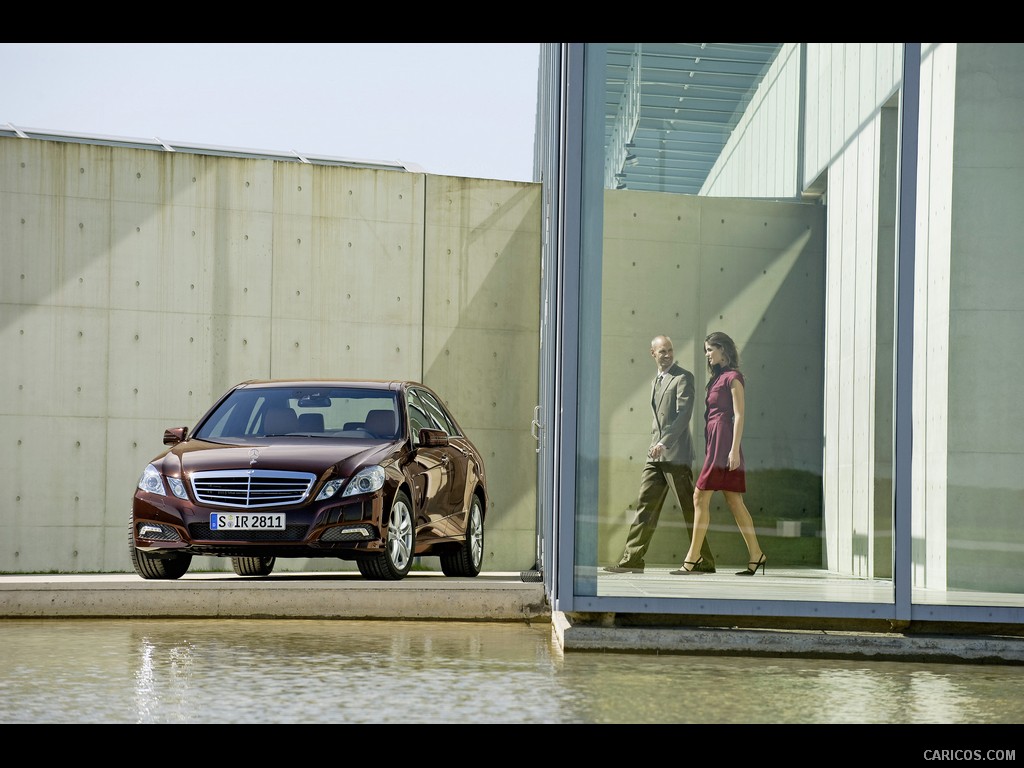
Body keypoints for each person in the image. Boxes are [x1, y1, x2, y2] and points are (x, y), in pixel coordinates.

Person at [604, 335, 716, 574]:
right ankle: (632, 559)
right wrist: (657, 445)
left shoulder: (683, 378)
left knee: (688, 508)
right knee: (645, 506)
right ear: (652, 353)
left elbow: (683, 415)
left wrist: (665, 442)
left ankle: (704, 560)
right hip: (655, 456)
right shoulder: (657, 380)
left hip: (674, 455)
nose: (667, 355)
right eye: (662, 351)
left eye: (670, 351)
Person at [671, 331, 766, 576]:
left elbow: (739, 415)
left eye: (710, 349)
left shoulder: (733, 377)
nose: (707, 354)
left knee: (699, 496)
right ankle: (756, 554)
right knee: (734, 501)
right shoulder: (717, 379)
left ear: (723, 349)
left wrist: (734, 450)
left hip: (725, 442)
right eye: (705, 350)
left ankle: (692, 557)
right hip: (716, 440)